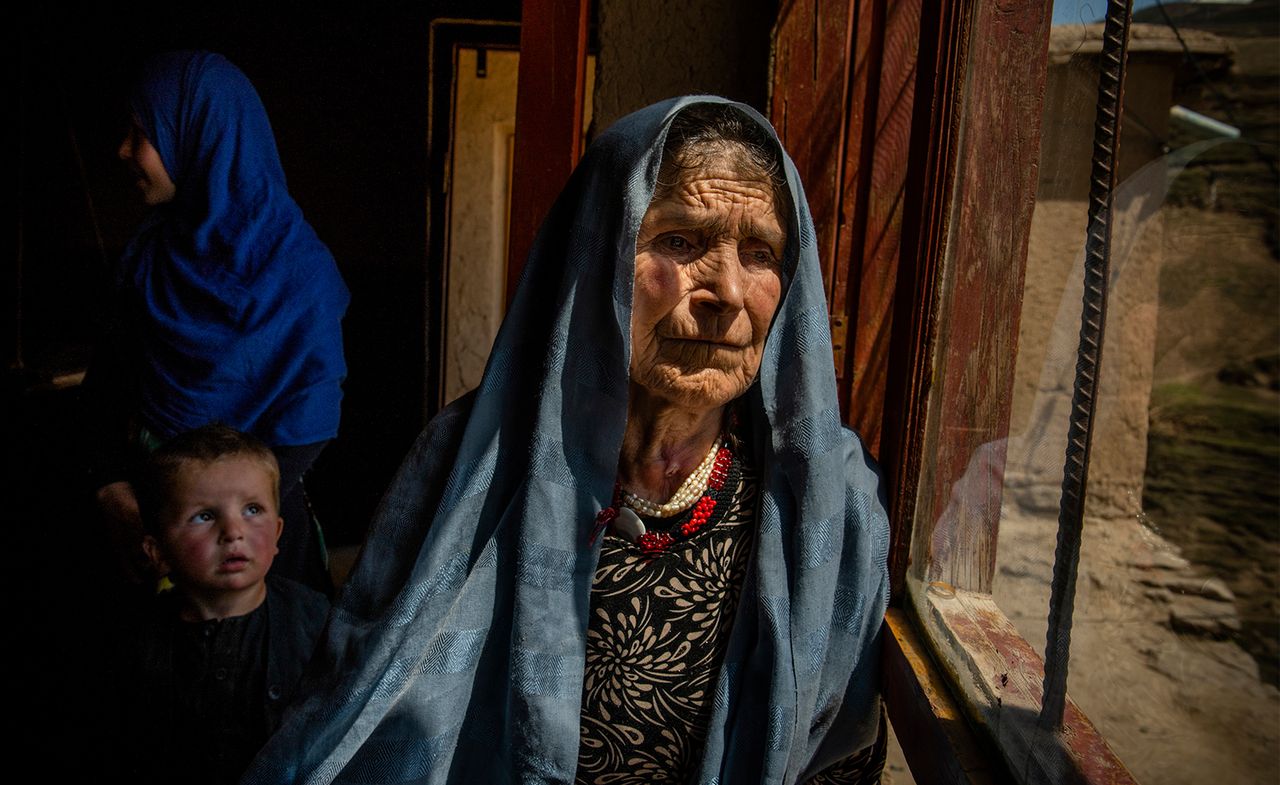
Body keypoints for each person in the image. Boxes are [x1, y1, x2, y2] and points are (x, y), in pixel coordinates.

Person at [246, 97, 889, 784]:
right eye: (678, 240)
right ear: (598, 255)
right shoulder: (471, 461)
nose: (728, 290)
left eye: (760, 252)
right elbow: (354, 702)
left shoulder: (823, 505)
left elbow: (841, 757)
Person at [87, 51, 349, 593]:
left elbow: (308, 422)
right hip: (145, 541)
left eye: (142, 133)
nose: (124, 151)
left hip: (257, 553)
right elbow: (107, 389)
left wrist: (222, 520)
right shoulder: (149, 259)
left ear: (201, 136)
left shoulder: (300, 274)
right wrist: (113, 489)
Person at [107, 424, 329, 785]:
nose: (233, 531)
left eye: (253, 509)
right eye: (205, 516)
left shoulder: (315, 620)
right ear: (158, 552)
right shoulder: (134, 640)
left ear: (276, 535)